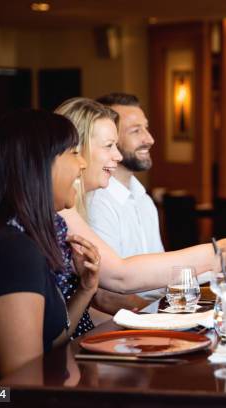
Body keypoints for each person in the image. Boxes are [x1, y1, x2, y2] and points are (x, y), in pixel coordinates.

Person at [0, 110, 100, 386]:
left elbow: (50, 340)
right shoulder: (12, 251)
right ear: (40, 165)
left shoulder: (22, 237)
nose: (83, 163)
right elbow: (22, 387)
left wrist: (85, 289)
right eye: (73, 152)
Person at [54, 98, 226, 298]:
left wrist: (220, 259)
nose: (117, 157)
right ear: (76, 150)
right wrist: (219, 251)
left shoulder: (76, 204)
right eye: (109, 145)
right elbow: (120, 277)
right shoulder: (62, 207)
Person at [88, 93, 163, 311]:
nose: (149, 139)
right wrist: (160, 319)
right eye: (135, 130)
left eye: (146, 128)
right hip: (122, 333)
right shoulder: (97, 203)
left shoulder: (144, 200)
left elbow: (159, 278)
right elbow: (106, 296)